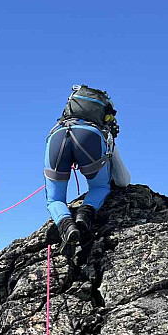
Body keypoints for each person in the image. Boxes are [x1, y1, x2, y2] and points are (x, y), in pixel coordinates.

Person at [43, 84, 128, 249]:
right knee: (100, 187)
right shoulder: (104, 133)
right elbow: (123, 181)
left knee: (54, 199)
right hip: (90, 138)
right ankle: (84, 215)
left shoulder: (58, 127)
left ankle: (66, 226)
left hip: (57, 138)